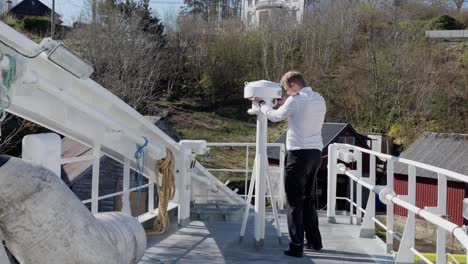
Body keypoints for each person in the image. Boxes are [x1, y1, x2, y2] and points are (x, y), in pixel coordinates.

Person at [251, 71, 326, 258]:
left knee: (294, 202)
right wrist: (284, 102)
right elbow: (298, 108)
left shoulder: (296, 100)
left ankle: (296, 245)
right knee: (308, 199)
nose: (287, 93)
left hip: (298, 155)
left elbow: (275, 117)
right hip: (316, 154)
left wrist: (261, 104)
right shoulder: (319, 98)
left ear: (293, 84)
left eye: (287, 89)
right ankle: (315, 241)